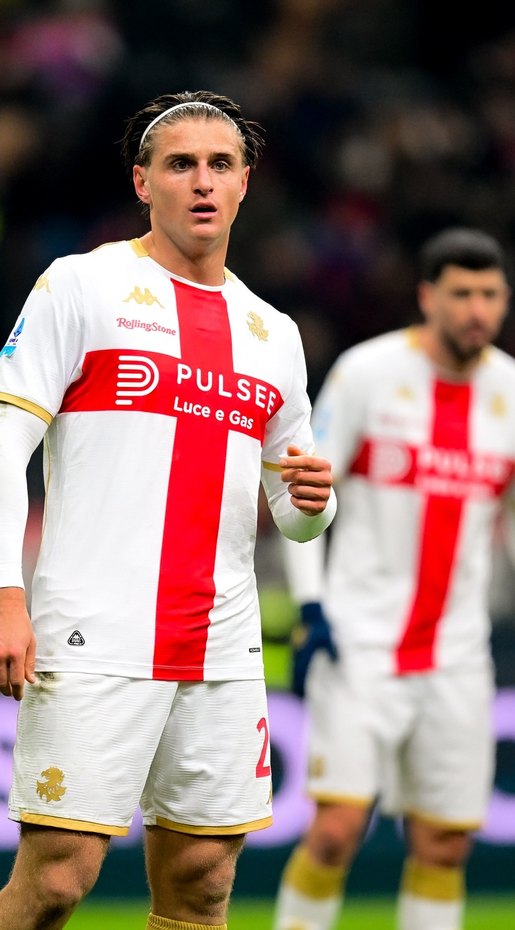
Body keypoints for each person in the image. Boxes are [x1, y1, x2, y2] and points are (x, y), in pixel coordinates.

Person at [0, 90, 336, 930]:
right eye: (180, 164)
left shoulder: (273, 332)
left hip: (222, 638)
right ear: (143, 182)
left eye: (220, 164)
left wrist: (317, 502)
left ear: (245, 183)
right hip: (96, 626)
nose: (201, 181)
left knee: (203, 880)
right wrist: (3, 594)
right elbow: (0, 446)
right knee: (58, 877)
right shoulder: (82, 284)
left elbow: (296, 512)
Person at [274, 227, 515, 930]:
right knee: (335, 831)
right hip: (359, 644)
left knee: (444, 843)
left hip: (457, 654)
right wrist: (311, 607)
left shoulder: (510, 390)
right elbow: (304, 491)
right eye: (462, 293)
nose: (477, 309)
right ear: (427, 297)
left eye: (490, 294)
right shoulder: (367, 373)